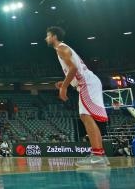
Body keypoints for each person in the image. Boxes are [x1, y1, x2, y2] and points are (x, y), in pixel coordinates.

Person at [46, 26, 109, 166]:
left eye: (48, 35)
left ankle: (97, 155)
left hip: (87, 83)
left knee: (85, 116)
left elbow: (74, 68)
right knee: (87, 117)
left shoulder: (61, 48)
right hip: (86, 82)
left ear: (54, 36)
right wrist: (65, 82)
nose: (46, 38)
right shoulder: (63, 49)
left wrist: (64, 87)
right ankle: (100, 154)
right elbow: (75, 70)